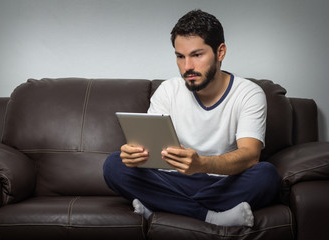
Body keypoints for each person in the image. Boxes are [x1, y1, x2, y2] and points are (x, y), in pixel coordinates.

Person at [103, 9, 280, 227]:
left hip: (222, 183)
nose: (187, 67)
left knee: (267, 175)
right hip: (173, 179)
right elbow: (148, 151)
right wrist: (135, 155)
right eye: (180, 56)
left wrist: (202, 164)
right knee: (114, 164)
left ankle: (161, 205)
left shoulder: (249, 93)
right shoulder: (168, 90)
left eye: (197, 55)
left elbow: (250, 156)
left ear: (220, 52)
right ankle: (212, 217)